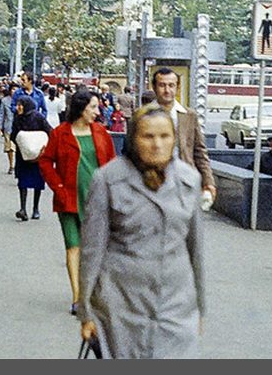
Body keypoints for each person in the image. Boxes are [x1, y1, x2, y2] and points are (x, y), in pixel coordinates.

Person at [78, 105, 206, 359]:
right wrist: (86, 312)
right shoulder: (108, 179)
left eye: (164, 136)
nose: (157, 144)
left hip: (176, 304)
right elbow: (92, 250)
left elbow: (196, 249)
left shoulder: (189, 180)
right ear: (133, 139)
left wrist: (200, 308)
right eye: (148, 136)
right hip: (121, 305)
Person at [37, 88, 115, 315]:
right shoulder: (60, 133)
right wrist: (58, 187)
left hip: (97, 200)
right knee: (73, 246)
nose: (97, 111)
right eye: (93, 107)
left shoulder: (101, 133)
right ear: (81, 109)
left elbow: (112, 164)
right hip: (69, 199)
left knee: (96, 248)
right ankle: (78, 296)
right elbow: (45, 162)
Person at [147, 67, 217, 207]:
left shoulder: (189, 116)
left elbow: (200, 152)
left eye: (171, 85)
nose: (167, 90)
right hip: (153, 184)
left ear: (178, 87)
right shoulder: (144, 116)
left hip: (184, 183)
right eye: (162, 85)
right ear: (154, 87)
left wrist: (208, 181)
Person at [10, 96, 50, 222]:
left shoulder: (38, 117)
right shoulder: (17, 119)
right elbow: (13, 135)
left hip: (38, 156)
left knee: (37, 183)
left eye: (20, 105)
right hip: (23, 155)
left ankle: (36, 208)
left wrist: (40, 145)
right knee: (22, 182)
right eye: (17, 105)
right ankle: (23, 209)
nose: (18, 107)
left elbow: (49, 131)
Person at [0, 85, 17, 174]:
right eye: (13, 89)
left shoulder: (22, 100)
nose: (14, 91)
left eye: (16, 89)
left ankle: (18, 165)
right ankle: (11, 165)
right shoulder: (4, 100)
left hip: (20, 127)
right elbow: (1, 114)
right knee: (10, 148)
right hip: (8, 127)